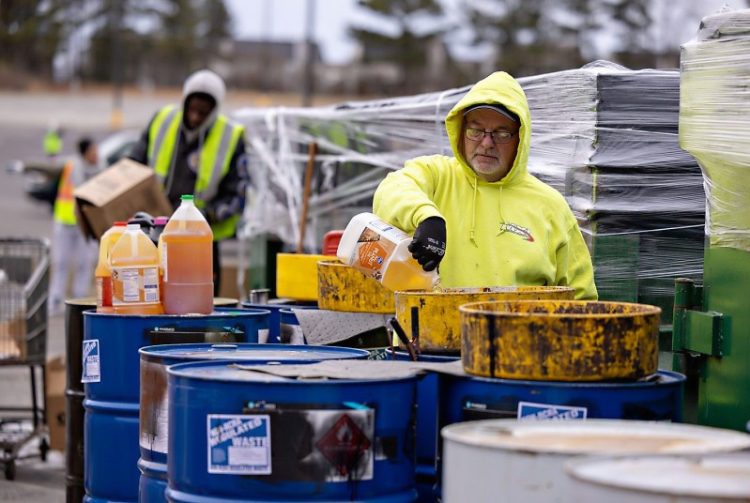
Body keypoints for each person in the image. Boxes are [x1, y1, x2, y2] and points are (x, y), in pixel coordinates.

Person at [373, 71, 597, 300]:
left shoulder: (551, 207)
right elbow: (390, 190)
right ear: (461, 132)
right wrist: (427, 217)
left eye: (501, 133)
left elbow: (581, 301)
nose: (487, 143)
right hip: (430, 333)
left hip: (517, 335)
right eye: (476, 130)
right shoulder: (436, 176)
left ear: (520, 139)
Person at [127, 69, 248, 295]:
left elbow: (238, 194)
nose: (195, 117)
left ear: (213, 111)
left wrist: (204, 216)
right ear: (184, 102)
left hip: (201, 241)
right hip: (154, 233)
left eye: (203, 113)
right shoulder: (162, 120)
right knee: (152, 297)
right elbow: (133, 166)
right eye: (192, 110)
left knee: (199, 304)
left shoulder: (231, 136)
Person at [48, 137, 101, 315]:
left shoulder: (99, 169)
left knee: (84, 263)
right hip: (66, 222)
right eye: (93, 151)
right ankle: (55, 301)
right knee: (62, 263)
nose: (96, 155)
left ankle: (80, 301)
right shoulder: (74, 166)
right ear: (85, 153)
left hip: (83, 225)